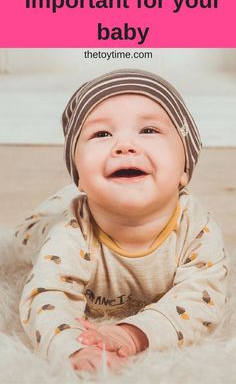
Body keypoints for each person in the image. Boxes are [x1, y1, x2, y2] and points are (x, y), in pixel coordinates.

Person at [15, 68, 229, 372]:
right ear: (80, 177)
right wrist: (71, 348)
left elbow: (201, 300)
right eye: (102, 134)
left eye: (149, 131)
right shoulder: (70, 232)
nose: (125, 146)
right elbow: (47, 296)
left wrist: (134, 333)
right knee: (28, 237)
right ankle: (59, 203)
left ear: (185, 168)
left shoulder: (198, 228)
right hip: (50, 223)